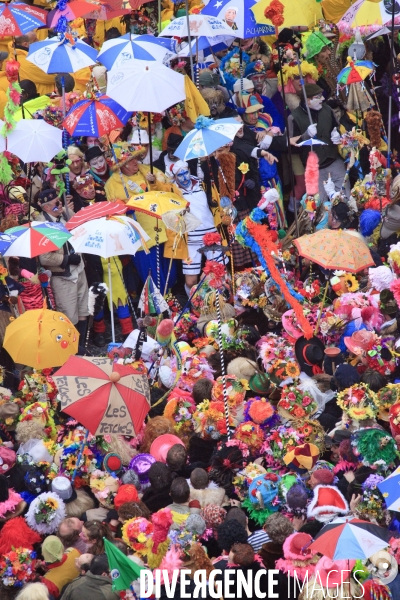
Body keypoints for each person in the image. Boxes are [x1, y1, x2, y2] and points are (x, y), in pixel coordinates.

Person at [35, 188, 89, 340]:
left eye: (59, 201)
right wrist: (66, 259)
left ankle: (81, 346)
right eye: (56, 203)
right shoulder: (42, 225)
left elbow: (81, 224)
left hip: (80, 270)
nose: (60, 204)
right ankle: (71, 351)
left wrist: (66, 211)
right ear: (46, 208)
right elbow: (45, 258)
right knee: (69, 316)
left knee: (83, 310)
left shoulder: (63, 214)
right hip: (63, 277)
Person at [288, 83, 350, 201]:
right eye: (317, 97)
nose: (322, 99)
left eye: (321, 95)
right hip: (314, 169)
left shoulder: (327, 109)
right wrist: (305, 135)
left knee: (345, 198)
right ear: (307, 100)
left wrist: (337, 134)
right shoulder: (293, 118)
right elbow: (292, 148)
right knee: (319, 206)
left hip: (335, 162)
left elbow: (337, 128)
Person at [170, 159, 220, 295]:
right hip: (190, 240)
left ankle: (218, 304)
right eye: (180, 175)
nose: (184, 177)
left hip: (211, 235)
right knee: (190, 281)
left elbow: (216, 202)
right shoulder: (173, 191)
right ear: (174, 177)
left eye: (186, 173)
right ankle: (195, 306)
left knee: (217, 274)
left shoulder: (202, 184)